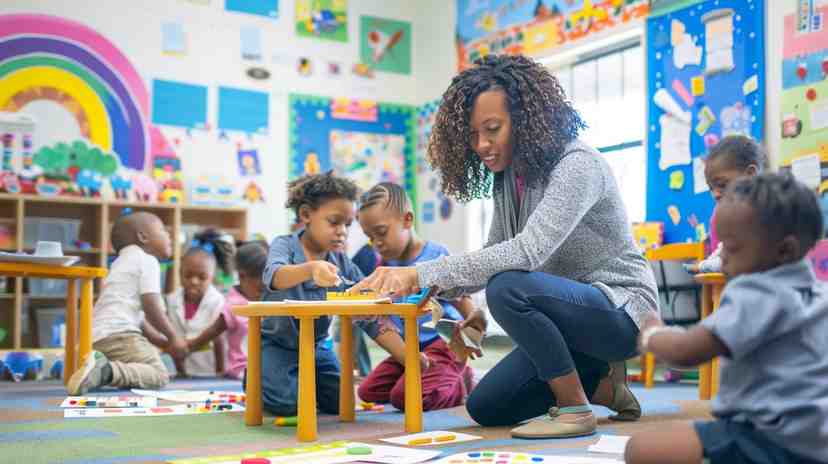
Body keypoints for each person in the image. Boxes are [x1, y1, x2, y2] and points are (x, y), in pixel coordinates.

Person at [350, 54, 658, 438]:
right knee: (486, 406)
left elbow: (528, 252)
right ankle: (605, 386)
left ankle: (576, 409)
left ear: (527, 121)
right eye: (473, 134)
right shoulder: (508, 178)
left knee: (508, 287)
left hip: (620, 311)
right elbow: (495, 252)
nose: (481, 144)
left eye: (492, 129)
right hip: (570, 323)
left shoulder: (578, 164)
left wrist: (416, 274)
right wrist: (473, 311)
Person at [626, 173, 828, 464]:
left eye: (731, 250)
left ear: (784, 250)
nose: (723, 261)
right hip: (817, 441)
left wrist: (652, 335)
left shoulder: (757, 291)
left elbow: (687, 351)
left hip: (765, 437)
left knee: (641, 448)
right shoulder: (819, 294)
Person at [356, 182, 478, 411]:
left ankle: (461, 383)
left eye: (381, 232)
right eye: (369, 237)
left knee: (404, 398)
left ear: (407, 220)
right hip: (412, 349)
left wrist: (472, 331)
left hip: (443, 344)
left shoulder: (436, 256)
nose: (377, 243)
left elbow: (462, 298)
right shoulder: (383, 266)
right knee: (367, 391)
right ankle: (431, 377)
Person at [258, 172, 370, 416]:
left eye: (347, 224)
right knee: (289, 405)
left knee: (342, 402)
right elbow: (274, 276)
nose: (342, 231)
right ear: (306, 215)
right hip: (277, 344)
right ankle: (257, 376)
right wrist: (310, 269)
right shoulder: (285, 245)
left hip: (316, 347)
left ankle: (301, 380)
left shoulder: (341, 260)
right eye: (334, 222)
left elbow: (365, 292)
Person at [67, 211, 187, 394]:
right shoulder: (147, 261)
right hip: (120, 337)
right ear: (143, 237)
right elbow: (151, 306)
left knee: (138, 371)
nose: (169, 235)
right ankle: (106, 371)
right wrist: (173, 337)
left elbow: (137, 316)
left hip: (95, 339)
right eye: (163, 230)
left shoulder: (119, 264)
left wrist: (162, 342)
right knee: (159, 374)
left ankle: (96, 367)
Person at [187, 241, 268, 380]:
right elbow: (213, 332)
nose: (263, 294)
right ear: (242, 276)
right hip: (242, 371)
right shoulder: (233, 305)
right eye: (260, 289)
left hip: (266, 368)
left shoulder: (268, 298)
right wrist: (188, 347)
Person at [685, 135, 765, 274]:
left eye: (722, 185)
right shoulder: (728, 214)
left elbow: (736, 260)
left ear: (751, 174)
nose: (715, 194)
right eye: (711, 188)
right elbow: (725, 250)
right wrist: (708, 262)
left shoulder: (764, 211)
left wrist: (703, 266)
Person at [164, 232, 233, 377]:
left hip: (210, 372)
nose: (194, 281)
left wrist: (220, 373)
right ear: (180, 273)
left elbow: (219, 340)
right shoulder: (171, 300)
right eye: (188, 275)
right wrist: (180, 371)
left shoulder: (218, 302)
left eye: (202, 277)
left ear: (212, 277)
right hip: (179, 373)